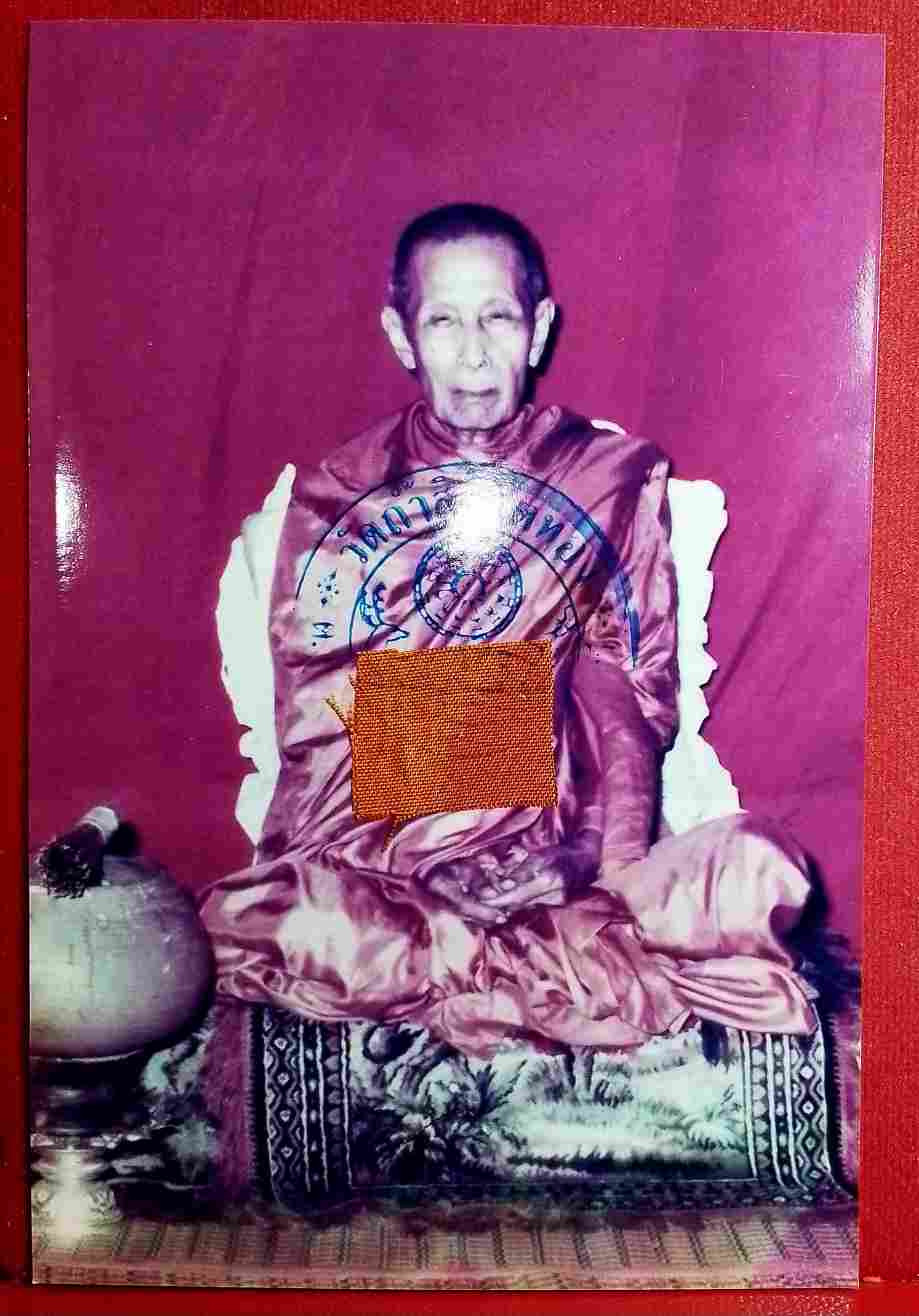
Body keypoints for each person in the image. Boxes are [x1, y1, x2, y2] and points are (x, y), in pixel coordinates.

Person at [198, 203, 817, 1057]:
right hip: (395, 862)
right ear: (401, 336)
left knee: (761, 865)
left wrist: (589, 858)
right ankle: (540, 969)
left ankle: (503, 963)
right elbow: (323, 726)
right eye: (442, 322)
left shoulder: (606, 476)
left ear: (539, 328)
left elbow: (627, 689)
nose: (474, 354)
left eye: (497, 318)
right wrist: (428, 861)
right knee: (257, 916)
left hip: (567, 846)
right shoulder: (341, 492)